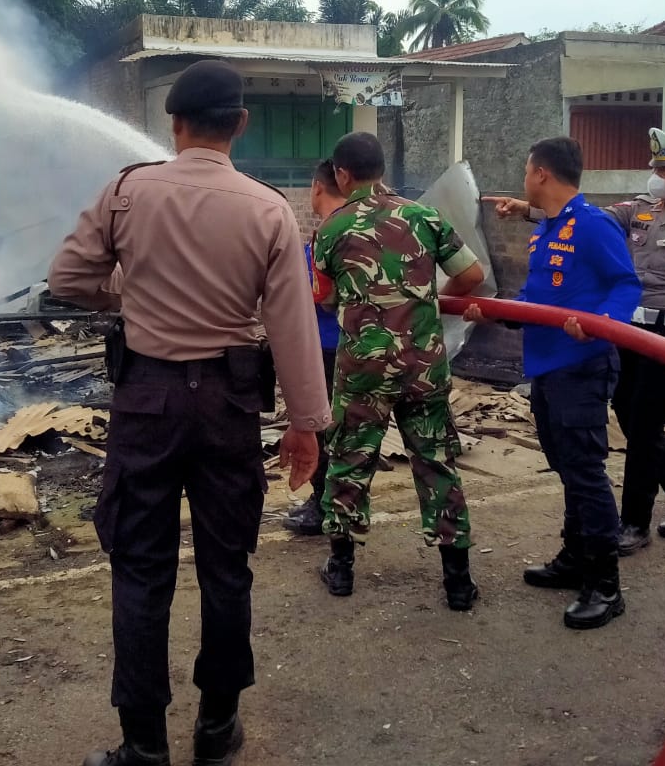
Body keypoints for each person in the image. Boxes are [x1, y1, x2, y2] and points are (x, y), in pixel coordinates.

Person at [49, 60, 331, 766]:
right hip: (229, 404)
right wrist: (306, 424)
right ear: (239, 124)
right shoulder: (268, 209)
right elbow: (292, 323)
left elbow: (67, 278)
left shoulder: (127, 191)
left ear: (173, 125)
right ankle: (217, 729)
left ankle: (143, 746)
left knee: (140, 570)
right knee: (226, 566)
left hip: (145, 401)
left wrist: (130, 293)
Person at [487, 127, 665, 555]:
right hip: (628, 330)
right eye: (656, 168)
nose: (656, 175)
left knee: (644, 426)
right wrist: (525, 209)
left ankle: (634, 523)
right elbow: (584, 219)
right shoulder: (639, 211)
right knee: (633, 423)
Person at [312, 132, 486, 609]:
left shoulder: (332, 227)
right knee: (436, 464)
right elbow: (473, 277)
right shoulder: (425, 217)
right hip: (423, 368)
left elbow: (322, 296)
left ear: (342, 175)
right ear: (382, 169)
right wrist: (428, 299)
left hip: (363, 370)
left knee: (348, 461)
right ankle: (458, 583)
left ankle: (342, 570)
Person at [476, 138, 642, 628]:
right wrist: (495, 313)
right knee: (567, 468)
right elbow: (535, 295)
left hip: (581, 365)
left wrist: (600, 322)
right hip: (546, 366)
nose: (524, 177)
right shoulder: (549, 227)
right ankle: (574, 560)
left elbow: (626, 283)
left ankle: (606, 586)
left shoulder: (592, 224)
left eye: (527, 170)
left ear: (541, 174)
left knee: (587, 475)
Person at [282, 159, 346, 536]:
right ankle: (332, 502)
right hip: (348, 346)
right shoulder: (357, 227)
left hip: (326, 346)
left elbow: (326, 297)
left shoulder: (330, 233)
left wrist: (285, 297)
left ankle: (323, 505)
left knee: (322, 429)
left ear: (317, 188)